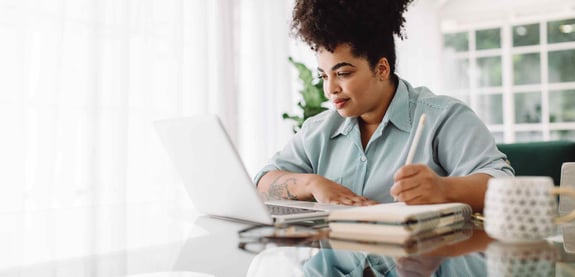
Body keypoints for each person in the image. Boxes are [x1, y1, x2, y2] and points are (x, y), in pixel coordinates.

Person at [254, 0, 513, 211]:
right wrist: (313, 183)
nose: (330, 88)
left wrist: (443, 189)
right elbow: (263, 183)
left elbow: (505, 186)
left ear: (381, 68)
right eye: (324, 75)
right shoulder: (318, 131)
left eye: (343, 73)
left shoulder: (444, 118)